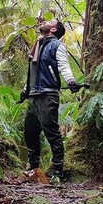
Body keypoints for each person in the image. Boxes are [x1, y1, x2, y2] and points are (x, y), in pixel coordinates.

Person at [20, 19, 80, 182]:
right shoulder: (38, 45)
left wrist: (71, 81)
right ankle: (33, 170)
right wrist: (25, 90)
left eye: (49, 22)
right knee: (30, 133)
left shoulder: (56, 45)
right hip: (33, 96)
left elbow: (63, 65)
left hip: (48, 95)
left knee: (52, 133)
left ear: (53, 29)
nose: (44, 22)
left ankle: (57, 172)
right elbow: (33, 72)